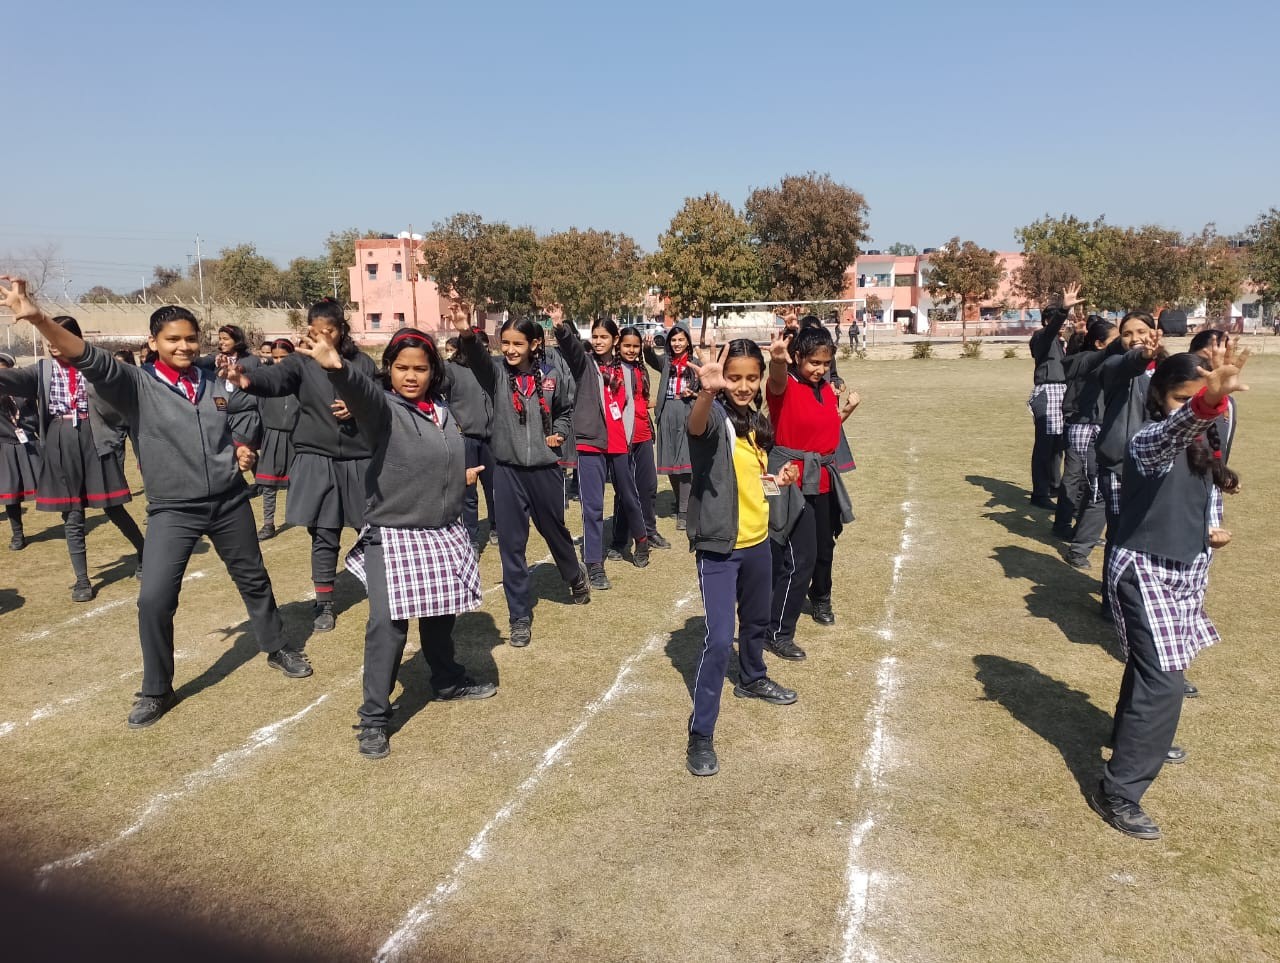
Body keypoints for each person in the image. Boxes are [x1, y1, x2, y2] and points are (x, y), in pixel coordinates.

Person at [1, 278, 313, 728]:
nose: (184, 346)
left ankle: (277, 646)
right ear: (153, 342)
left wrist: (242, 446)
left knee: (254, 579)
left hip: (229, 501)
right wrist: (37, 318)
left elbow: (237, 419)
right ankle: (156, 688)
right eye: (173, 339)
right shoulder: (134, 384)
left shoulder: (213, 381)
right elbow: (85, 355)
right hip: (173, 510)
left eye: (191, 338)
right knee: (154, 599)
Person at [297, 323, 493, 759]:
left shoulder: (441, 411)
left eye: (419, 369)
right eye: (402, 367)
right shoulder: (383, 408)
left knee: (440, 615)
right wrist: (337, 368)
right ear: (389, 368)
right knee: (387, 626)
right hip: (393, 534)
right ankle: (373, 718)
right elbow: (362, 396)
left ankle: (446, 680)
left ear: (432, 372)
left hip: (441, 529)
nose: (410, 376)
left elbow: (430, 458)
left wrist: (454, 477)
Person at [1089, 345, 1246, 840]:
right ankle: (1119, 789)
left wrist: (1211, 527)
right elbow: (1176, 431)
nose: (1193, 408)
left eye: (1201, 397)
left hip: (1187, 568)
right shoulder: (1147, 439)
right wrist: (1206, 404)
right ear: (1158, 397)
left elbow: (1209, 486)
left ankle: (1131, 736)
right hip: (1145, 570)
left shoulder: (1210, 432)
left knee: (1148, 666)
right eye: (1181, 398)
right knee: (1165, 682)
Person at [684, 338, 801, 777]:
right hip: (720, 548)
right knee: (719, 639)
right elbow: (696, 427)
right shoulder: (715, 417)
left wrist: (778, 481)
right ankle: (701, 733)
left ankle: (752, 678)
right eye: (735, 377)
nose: (744, 385)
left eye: (751, 377)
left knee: (755, 622)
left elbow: (753, 480)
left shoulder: (755, 422)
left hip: (758, 543)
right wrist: (708, 391)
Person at [226, 299, 378, 632]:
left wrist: (357, 406)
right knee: (324, 532)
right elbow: (275, 378)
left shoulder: (362, 363)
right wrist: (247, 380)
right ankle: (324, 603)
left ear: (342, 330)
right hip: (317, 458)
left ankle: (380, 590)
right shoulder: (300, 362)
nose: (323, 337)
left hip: (359, 459)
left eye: (330, 331)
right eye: (316, 331)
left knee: (370, 531)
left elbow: (377, 397)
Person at [454, 308, 589, 647]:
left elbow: (564, 410)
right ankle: (519, 617)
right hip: (507, 471)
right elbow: (478, 359)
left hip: (545, 470)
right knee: (511, 546)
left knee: (554, 531)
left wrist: (559, 432)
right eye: (505, 343)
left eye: (517, 343)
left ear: (534, 344)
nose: (510, 350)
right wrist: (466, 333)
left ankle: (574, 574)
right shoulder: (496, 374)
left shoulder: (552, 374)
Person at [0, 314, 146, 600]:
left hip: (94, 438)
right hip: (59, 440)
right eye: (49, 338)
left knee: (113, 507)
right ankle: (82, 580)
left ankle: (144, 553)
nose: (53, 343)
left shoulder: (95, 365)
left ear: (76, 339)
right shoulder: (42, 370)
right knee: (72, 514)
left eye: (60, 336)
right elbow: (12, 379)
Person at [765, 324, 859, 660]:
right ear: (798, 357)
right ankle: (776, 631)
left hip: (821, 479)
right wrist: (778, 360)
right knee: (796, 558)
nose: (820, 369)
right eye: (813, 362)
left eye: (826, 363)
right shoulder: (786, 385)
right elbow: (776, 378)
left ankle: (816, 600)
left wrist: (845, 411)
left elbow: (824, 430)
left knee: (820, 549)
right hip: (790, 480)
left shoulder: (824, 389)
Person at [553, 310, 649, 590]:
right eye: (594, 336)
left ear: (615, 339)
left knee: (629, 496)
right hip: (590, 442)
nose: (597, 341)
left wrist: (628, 437)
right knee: (592, 505)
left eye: (603, 336)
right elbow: (571, 348)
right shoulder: (584, 364)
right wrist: (561, 328)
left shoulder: (627, 370)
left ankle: (642, 540)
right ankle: (594, 564)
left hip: (619, 443)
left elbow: (629, 406)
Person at [1095, 312, 1166, 614]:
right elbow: (1126, 364)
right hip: (1119, 466)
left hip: (1158, 465)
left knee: (1150, 534)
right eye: (1127, 333)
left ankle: (1144, 594)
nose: (1135, 338)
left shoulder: (1168, 369)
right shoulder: (1114, 366)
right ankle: (1112, 602)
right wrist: (1142, 356)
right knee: (1120, 533)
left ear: (1155, 332)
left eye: (1141, 331)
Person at [1057, 318, 1117, 567]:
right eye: (1117, 340)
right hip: (1085, 427)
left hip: (1099, 427)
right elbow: (1074, 365)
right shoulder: (1086, 360)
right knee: (1092, 485)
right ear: (1099, 343)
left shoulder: (1114, 363)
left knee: (1088, 484)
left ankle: (1080, 532)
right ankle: (1077, 544)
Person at [609, 325, 670, 558]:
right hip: (622, 438)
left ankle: (649, 531)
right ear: (618, 345)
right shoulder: (612, 371)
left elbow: (641, 399)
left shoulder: (640, 369)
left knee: (648, 486)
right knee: (624, 491)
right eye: (627, 345)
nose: (631, 350)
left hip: (643, 436)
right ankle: (619, 541)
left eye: (635, 346)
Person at [1027, 285, 1082, 509]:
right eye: (1060, 320)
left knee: (1058, 445)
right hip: (1048, 392)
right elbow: (1051, 330)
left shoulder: (1060, 343)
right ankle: (1040, 493)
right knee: (1045, 445)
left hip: (1062, 393)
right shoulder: (1042, 337)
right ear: (1047, 321)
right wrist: (1063, 310)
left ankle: (1053, 485)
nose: (1064, 324)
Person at [445, 327, 498, 553]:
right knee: (468, 492)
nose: (480, 352)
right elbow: (436, 396)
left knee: (494, 488)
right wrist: (452, 424)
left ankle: (497, 527)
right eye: (475, 347)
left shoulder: (492, 368)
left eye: (484, 347)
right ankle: (471, 538)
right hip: (465, 438)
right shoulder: (451, 369)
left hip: (492, 438)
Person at [644, 323, 698, 530]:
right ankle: (679, 500)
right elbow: (651, 359)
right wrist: (647, 349)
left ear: (688, 342)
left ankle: (684, 512)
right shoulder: (666, 362)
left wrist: (693, 393)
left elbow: (705, 389)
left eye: (681, 339)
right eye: (673, 340)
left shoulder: (695, 363)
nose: (677, 343)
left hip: (687, 411)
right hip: (667, 412)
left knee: (685, 463)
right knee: (670, 462)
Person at [253, 339, 299, 540]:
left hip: (297, 436)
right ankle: (268, 523)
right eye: (276, 357)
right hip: (272, 435)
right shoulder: (267, 378)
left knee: (297, 480)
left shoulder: (302, 379)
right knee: (268, 483)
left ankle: (299, 515)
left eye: (284, 357)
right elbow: (260, 407)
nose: (279, 361)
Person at [0, 352, 39, 550]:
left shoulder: (25, 390)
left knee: (51, 484)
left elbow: (36, 415)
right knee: (11, 493)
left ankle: (70, 522)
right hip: (5, 446)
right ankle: (18, 535)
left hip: (30, 443)